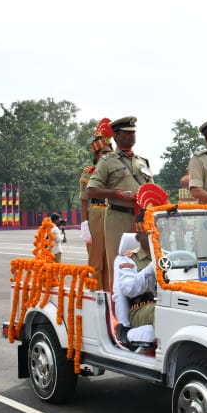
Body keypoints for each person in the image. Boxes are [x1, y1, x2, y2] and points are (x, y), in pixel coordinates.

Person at [87, 116, 153, 284]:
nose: (131, 136)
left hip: (142, 219)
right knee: (118, 262)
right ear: (116, 136)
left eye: (133, 133)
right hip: (118, 217)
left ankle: (142, 304)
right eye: (126, 133)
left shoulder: (142, 162)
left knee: (145, 261)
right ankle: (116, 308)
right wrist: (116, 193)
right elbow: (92, 190)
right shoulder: (107, 161)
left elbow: (152, 190)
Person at [113, 216, 156, 345]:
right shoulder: (128, 259)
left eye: (153, 232)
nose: (152, 236)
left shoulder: (165, 255)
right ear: (137, 238)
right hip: (140, 309)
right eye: (147, 233)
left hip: (166, 303)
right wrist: (149, 270)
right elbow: (129, 289)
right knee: (164, 312)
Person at [80, 118, 113, 290]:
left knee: (111, 259)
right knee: (96, 259)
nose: (106, 155)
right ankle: (95, 293)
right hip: (96, 215)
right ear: (96, 155)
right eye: (103, 152)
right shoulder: (89, 172)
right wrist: (84, 223)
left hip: (113, 215)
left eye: (109, 152)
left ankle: (110, 295)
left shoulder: (115, 172)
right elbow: (83, 200)